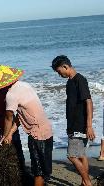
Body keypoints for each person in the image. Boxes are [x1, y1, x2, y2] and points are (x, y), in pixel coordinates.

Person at [0, 64, 53, 186]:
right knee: (44, 169)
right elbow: (22, 115)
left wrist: (4, 136)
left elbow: (9, 118)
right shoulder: (24, 85)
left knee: (38, 170)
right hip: (46, 129)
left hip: (36, 133)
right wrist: (11, 134)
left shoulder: (11, 95)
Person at [51, 55, 95, 186]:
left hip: (79, 125)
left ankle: (87, 182)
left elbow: (89, 101)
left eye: (59, 72)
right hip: (74, 124)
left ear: (65, 66)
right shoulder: (70, 82)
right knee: (81, 154)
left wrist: (89, 126)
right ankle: (84, 182)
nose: (59, 75)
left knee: (71, 156)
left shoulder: (79, 80)